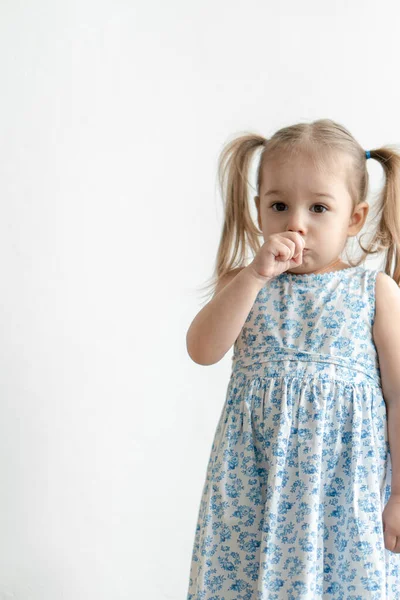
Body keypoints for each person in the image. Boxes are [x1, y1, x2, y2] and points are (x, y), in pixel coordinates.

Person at [185, 118, 400, 599]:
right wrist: (253, 276)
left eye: (319, 207)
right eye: (279, 205)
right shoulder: (245, 286)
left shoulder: (374, 292)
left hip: (343, 496)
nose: (295, 223)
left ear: (354, 218)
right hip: (254, 491)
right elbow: (202, 350)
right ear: (259, 211)